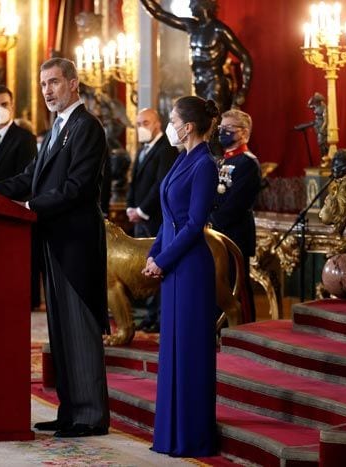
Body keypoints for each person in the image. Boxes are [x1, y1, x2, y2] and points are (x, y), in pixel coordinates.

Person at [0, 57, 109, 438]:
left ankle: (90, 416)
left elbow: (79, 187)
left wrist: (30, 206)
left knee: (79, 328)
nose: (47, 90)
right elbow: (31, 177)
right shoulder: (56, 127)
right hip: (53, 241)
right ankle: (70, 410)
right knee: (59, 332)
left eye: (54, 82)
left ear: (74, 84)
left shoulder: (87, 127)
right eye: (43, 84)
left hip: (76, 242)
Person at [142, 95, 219, 457]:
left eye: (173, 119)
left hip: (190, 268)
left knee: (188, 352)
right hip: (173, 265)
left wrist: (165, 259)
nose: (169, 125)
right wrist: (154, 253)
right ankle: (170, 435)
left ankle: (190, 436)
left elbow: (194, 224)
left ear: (187, 126)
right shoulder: (181, 159)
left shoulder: (205, 164)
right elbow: (169, 217)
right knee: (172, 350)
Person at [139, 0, 252, 112]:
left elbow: (245, 57)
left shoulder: (219, 30)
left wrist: (244, 90)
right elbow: (158, 13)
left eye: (192, 2)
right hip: (198, 82)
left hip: (215, 82)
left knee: (214, 122)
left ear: (203, 4)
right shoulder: (191, 26)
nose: (189, 6)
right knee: (200, 123)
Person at [126, 107, 177, 332]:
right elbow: (134, 181)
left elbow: (161, 184)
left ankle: (158, 317)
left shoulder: (166, 148)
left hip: (154, 218)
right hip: (139, 216)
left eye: (145, 123)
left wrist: (142, 210)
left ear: (157, 123)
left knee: (157, 268)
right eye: (138, 124)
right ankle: (148, 316)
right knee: (144, 268)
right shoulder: (143, 149)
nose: (141, 128)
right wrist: (130, 207)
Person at [210, 109, 261, 322]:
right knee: (219, 284)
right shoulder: (220, 161)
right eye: (220, 128)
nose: (222, 132)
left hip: (234, 233)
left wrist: (213, 222)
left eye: (228, 129)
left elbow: (237, 203)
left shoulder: (247, 162)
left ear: (243, 133)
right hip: (216, 234)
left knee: (236, 284)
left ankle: (244, 329)